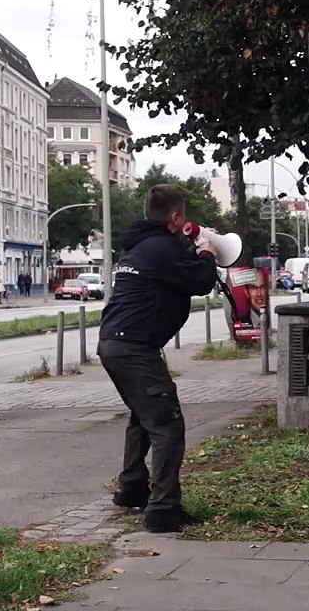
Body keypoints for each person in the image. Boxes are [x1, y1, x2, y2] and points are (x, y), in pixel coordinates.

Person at [98, 184, 220, 533]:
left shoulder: (139, 247)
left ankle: (133, 488)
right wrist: (207, 252)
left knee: (144, 416)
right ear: (176, 217)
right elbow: (199, 281)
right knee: (167, 425)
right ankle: (163, 509)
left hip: (115, 343)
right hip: (135, 347)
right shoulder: (162, 248)